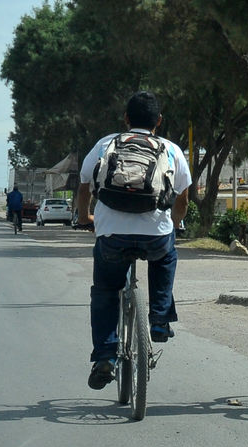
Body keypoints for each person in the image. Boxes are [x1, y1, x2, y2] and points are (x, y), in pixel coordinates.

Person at [76, 91, 191, 390]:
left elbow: (85, 185)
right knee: (166, 255)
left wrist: (84, 217)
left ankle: (105, 356)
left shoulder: (106, 144)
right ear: (159, 121)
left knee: (105, 290)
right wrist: (174, 225)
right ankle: (159, 320)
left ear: (126, 118)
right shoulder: (171, 149)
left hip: (112, 235)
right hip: (156, 235)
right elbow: (182, 197)